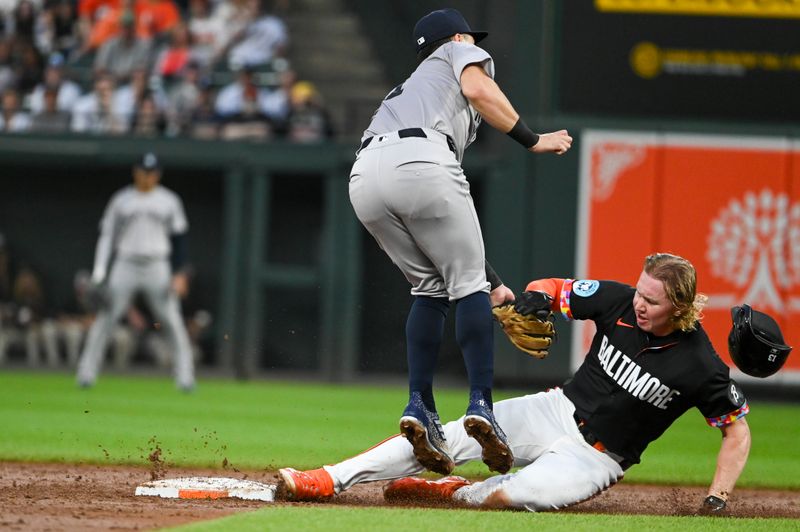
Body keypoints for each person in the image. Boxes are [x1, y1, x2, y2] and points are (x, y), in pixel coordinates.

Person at [277, 253, 758, 513]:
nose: (640, 304)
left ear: (680, 306)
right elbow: (557, 288)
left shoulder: (702, 366)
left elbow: (736, 430)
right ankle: (326, 479)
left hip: (598, 456)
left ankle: (457, 492)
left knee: (522, 495)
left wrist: (717, 497)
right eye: (641, 292)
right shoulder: (618, 300)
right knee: (444, 433)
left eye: (652, 301)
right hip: (556, 410)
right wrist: (535, 298)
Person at [347, 7, 572, 477]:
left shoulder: (406, 90)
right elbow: (477, 88)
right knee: (465, 287)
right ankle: (481, 406)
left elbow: (443, 230)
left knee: (431, 289)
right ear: (452, 38)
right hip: (422, 160)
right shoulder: (456, 54)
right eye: (470, 38)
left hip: (365, 177)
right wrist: (532, 139)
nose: (475, 43)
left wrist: (492, 281)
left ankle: (419, 407)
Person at [76, 152, 195, 391]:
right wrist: (100, 271)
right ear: (135, 172)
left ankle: (185, 377)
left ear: (158, 174)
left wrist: (179, 273)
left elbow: (180, 238)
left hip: (157, 265)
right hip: (125, 263)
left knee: (171, 320)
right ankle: (86, 374)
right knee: (106, 318)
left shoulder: (169, 200)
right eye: (143, 171)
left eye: (152, 172)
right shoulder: (121, 200)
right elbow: (107, 236)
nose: (147, 176)